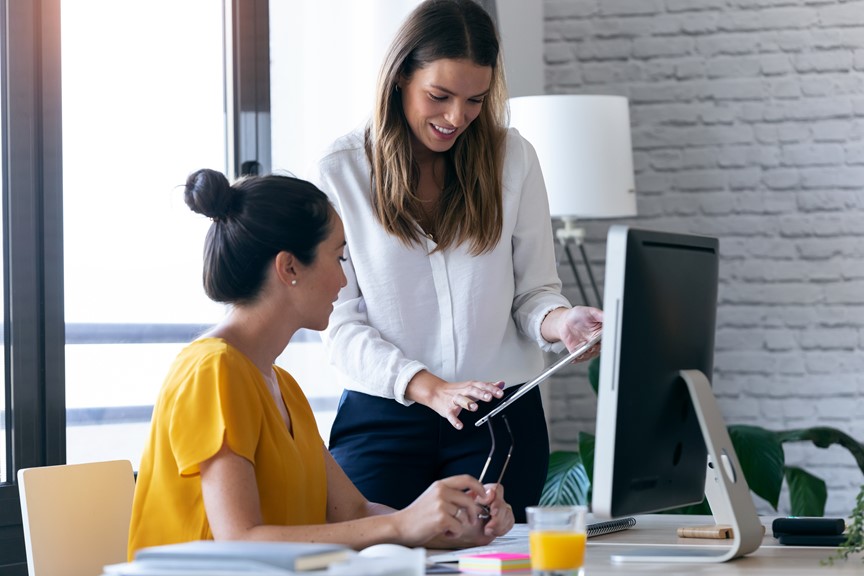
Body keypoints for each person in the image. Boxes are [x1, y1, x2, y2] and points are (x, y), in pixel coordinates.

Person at [309, 0, 603, 524]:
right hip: (385, 413)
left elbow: (534, 292)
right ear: (400, 77)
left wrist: (563, 322)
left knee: (492, 559)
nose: (456, 118)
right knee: (367, 551)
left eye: (475, 100)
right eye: (439, 96)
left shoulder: (513, 158)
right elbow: (341, 323)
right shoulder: (342, 171)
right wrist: (429, 387)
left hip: (499, 415)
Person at [127, 169, 514, 559]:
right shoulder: (212, 371)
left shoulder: (282, 385)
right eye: (338, 256)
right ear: (289, 267)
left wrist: (453, 524)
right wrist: (404, 523)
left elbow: (354, 512)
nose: (344, 281)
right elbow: (239, 539)